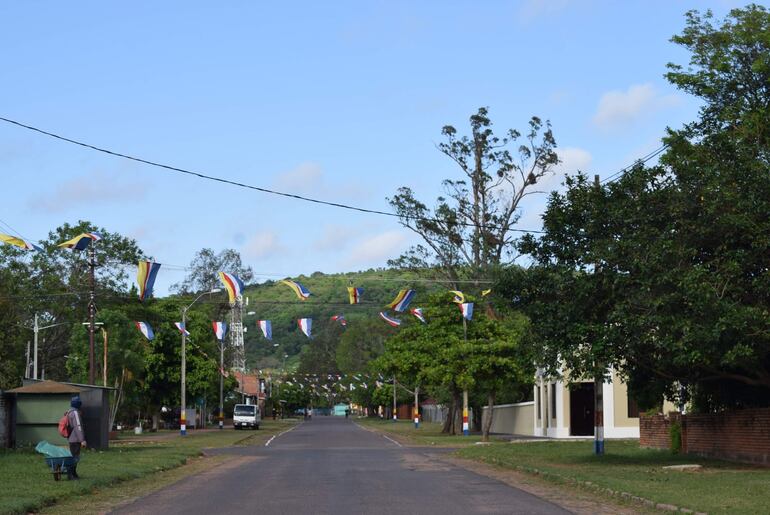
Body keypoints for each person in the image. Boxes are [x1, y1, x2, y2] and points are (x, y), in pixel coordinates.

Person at [66, 395, 86, 479]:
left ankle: (73, 473)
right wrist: (82, 440)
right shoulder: (75, 413)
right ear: (78, 404)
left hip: (71, 438)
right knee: (75, 457)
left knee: (74, 456)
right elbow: (78, 426)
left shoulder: (69, 412)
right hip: (76, 439)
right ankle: (71, 474)